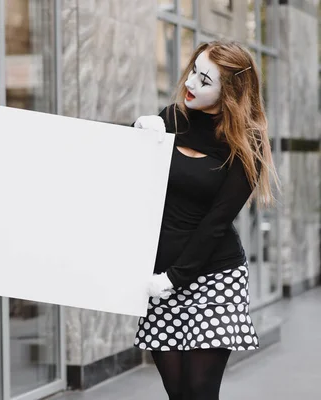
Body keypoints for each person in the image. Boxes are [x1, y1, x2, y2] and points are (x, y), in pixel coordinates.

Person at [132, 41, 279, 400]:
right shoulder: (170, 118)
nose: (192, 84)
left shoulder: (248, 142)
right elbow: (120, 172)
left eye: (205, 79)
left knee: (199, 390)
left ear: (229, 93)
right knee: (179, 391)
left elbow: (216, 222)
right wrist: (134, 130)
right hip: (159, 280)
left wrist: (173, 279)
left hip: (214, 279)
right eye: (194, 70)